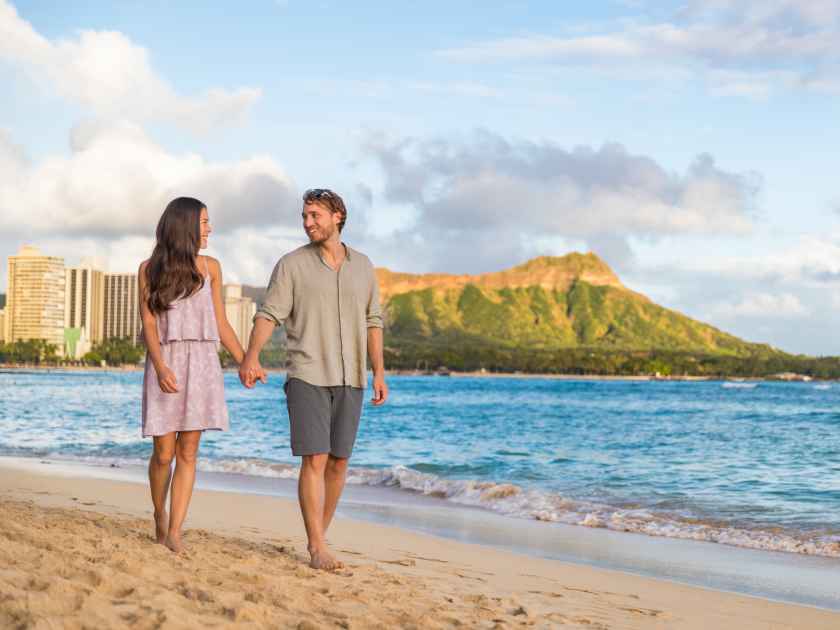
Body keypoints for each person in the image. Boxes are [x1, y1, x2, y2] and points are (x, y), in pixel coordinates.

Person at [239, 188, 388, 570]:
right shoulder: (291, 265)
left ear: (337, 215)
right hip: (307, 372)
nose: (307, 223)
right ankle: (317, 547)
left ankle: (317, 536)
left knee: (339, 461)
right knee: (315, 458)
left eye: (314, 215)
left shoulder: (364, 266)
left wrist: (379, 373)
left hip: (351, 375)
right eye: (304, 216)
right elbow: (268, 314)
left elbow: (373, 322)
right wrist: (251, 356)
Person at [139, 196, 245, 553]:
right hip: (165, 362)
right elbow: (150, 325)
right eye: (204, 222)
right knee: (164, 454)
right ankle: (159, 513)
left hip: (201, 364)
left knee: (188, 452)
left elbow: (220, 322)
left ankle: (175, 531)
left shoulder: (211, 267)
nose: (209, 228)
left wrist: (246, 359)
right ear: (185, 226)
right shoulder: (148, 269)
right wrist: (159, 366)